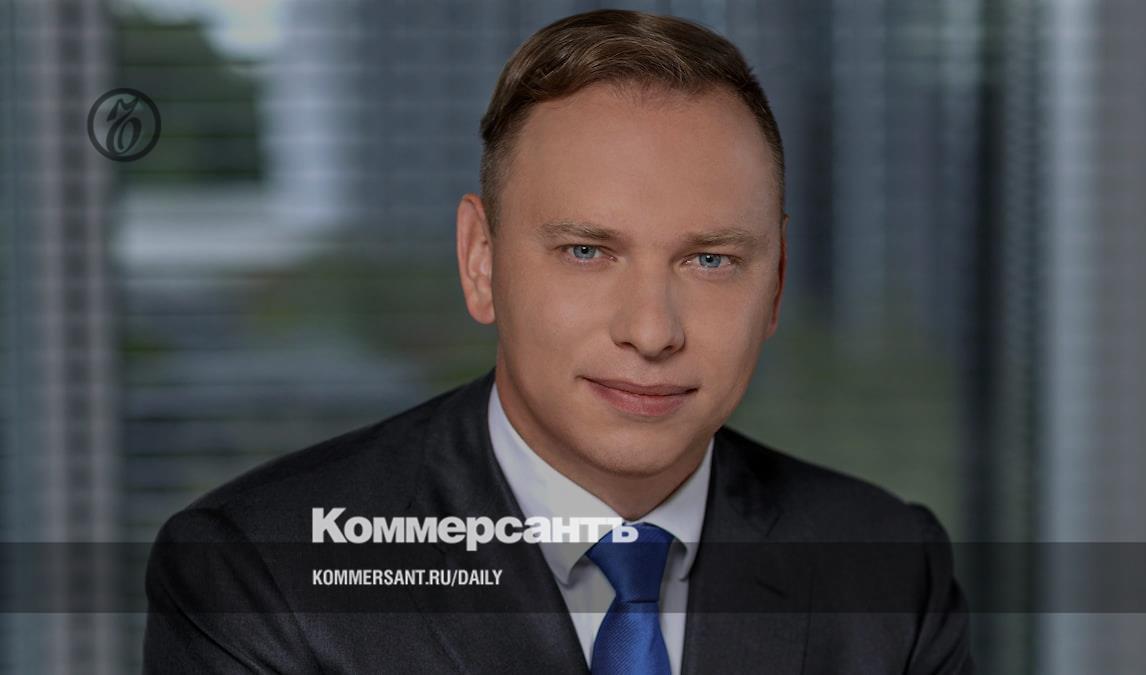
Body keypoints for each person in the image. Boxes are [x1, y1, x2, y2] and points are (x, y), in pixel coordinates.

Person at [143, 9, 973, 674]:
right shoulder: (260, 571)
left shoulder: (889, 568)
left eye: (711, 259)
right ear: (481, 262)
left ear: (777, 281)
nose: (652, 331)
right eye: (586, 251)